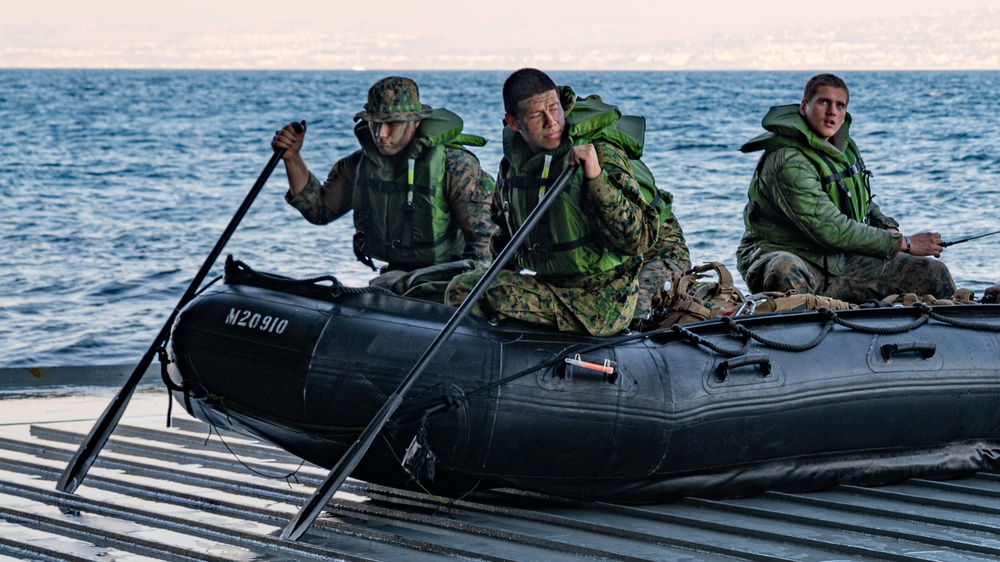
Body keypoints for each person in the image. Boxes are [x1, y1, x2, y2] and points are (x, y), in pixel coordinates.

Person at [444, 68, 660, 336]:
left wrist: (596, 177)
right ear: (513, 122)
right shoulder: (513, 166)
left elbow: (638, 239)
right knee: (466, 284)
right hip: (552, 286)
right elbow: (504, 238)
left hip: (600, 301)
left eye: (555, 109)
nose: (552, 122)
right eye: (536, 116)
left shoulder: (600, 154)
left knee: (463, 289)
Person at [736, 73, 956, 303]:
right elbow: (830, 228)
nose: (832, 111)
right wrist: (905, 244)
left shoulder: (844, 148)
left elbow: (862, 201)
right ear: (804, 107)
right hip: (784, 256)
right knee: (785, 269)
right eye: (824, 102)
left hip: (836, 261)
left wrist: (887, 227)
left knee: (932, 273)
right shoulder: (787, 161)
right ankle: (802, 332)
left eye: (839, 105)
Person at [272, 76, 497, 291]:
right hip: (396, 278)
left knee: (387, 286)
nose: (381, 134)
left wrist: (468, 295)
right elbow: (318, 210)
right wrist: (292, 158)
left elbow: (484, 242)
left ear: (416, 122)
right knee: (385, 286)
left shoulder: (455, 166)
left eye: (392, 124)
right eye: (375, 124)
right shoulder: (359, 165)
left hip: (450, 277)